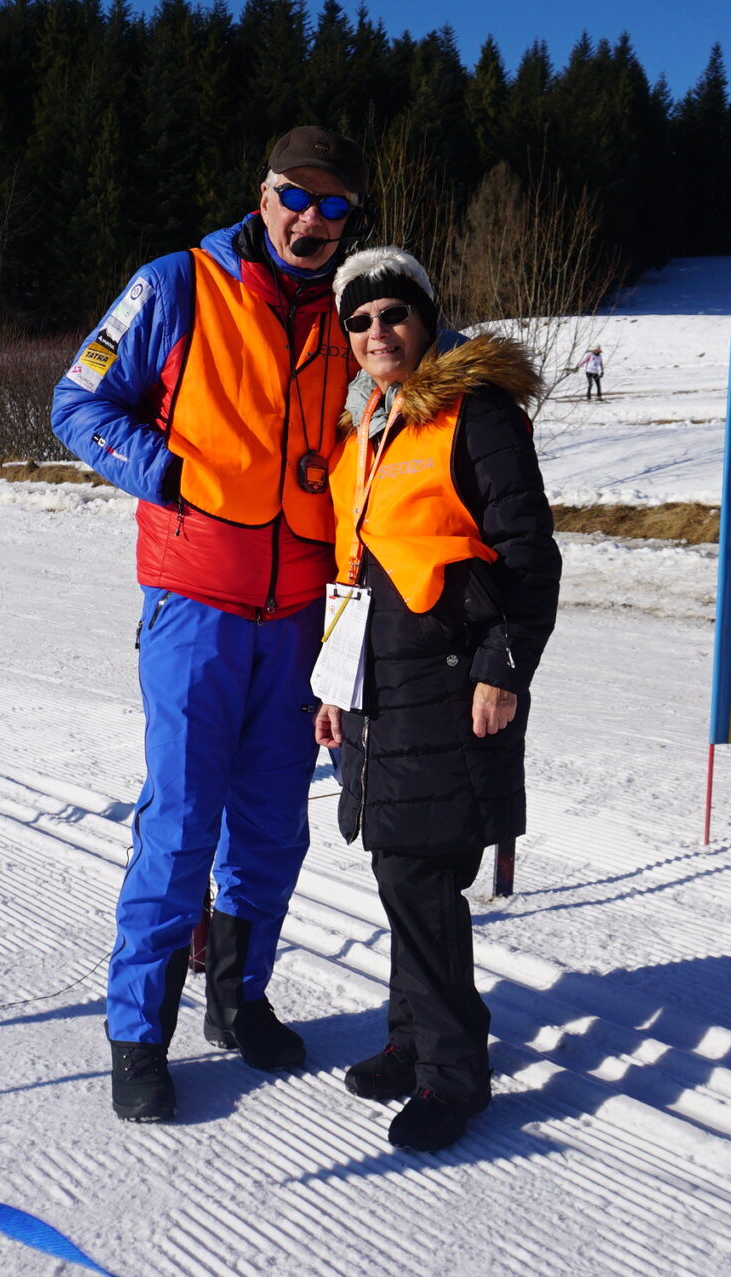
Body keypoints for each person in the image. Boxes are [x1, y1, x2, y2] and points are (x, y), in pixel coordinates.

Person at [52, 125, 368, 1123]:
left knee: (272, 828)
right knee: (181, 825)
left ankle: (238, 998)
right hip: (194, 607)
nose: (311, 220)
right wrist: (172, 473)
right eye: (295, 197)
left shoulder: (351, 314)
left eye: (333, 206)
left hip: (299, 618)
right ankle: (138, 1033)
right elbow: (77, 404)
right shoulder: (176, 284)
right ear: (261, 193)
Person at [313, 246, 558, 1152]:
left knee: (419, 874)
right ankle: (411, 1038)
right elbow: (354, 566)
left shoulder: (475, 413)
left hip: (451, 681)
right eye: (360, 321)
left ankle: (453, 1074)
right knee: (401, 869)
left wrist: (503, 667)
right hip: (378, 685)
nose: (378, 332)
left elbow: (529, 555)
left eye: (394, 314)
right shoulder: (365, 424)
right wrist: (333, 685)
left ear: (424, 317)